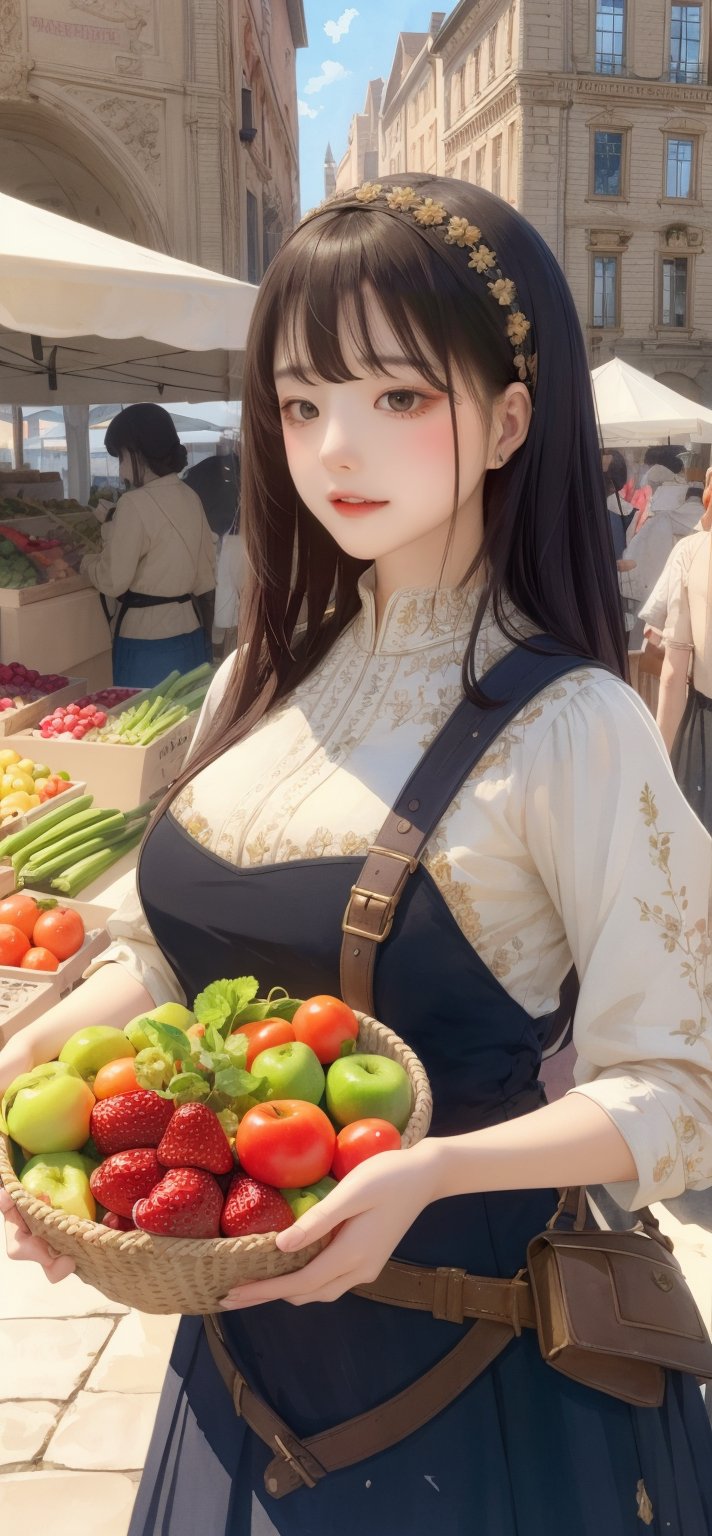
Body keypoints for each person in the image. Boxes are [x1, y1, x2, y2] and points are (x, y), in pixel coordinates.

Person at [2, 175, 712, 1534]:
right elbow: (164, 957)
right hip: (231, 1356)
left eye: (397, 398)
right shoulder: (251, 685)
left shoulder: (575, 726)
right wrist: (35, 1057)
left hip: (463, 1376)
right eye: (301, 401)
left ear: (509, 418)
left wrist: (431, 1171)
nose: (337, 447)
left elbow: (677, 1091)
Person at [80, 404, 216, 687]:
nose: (121, 471)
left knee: (141, 725)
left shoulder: (133, 503)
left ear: (135, 451)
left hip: (146, 638)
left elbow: (113, 580)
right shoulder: (191, 495)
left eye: (120, 457)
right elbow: (206, 575)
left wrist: (85, 563)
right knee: (182, 722)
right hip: (190, 628)